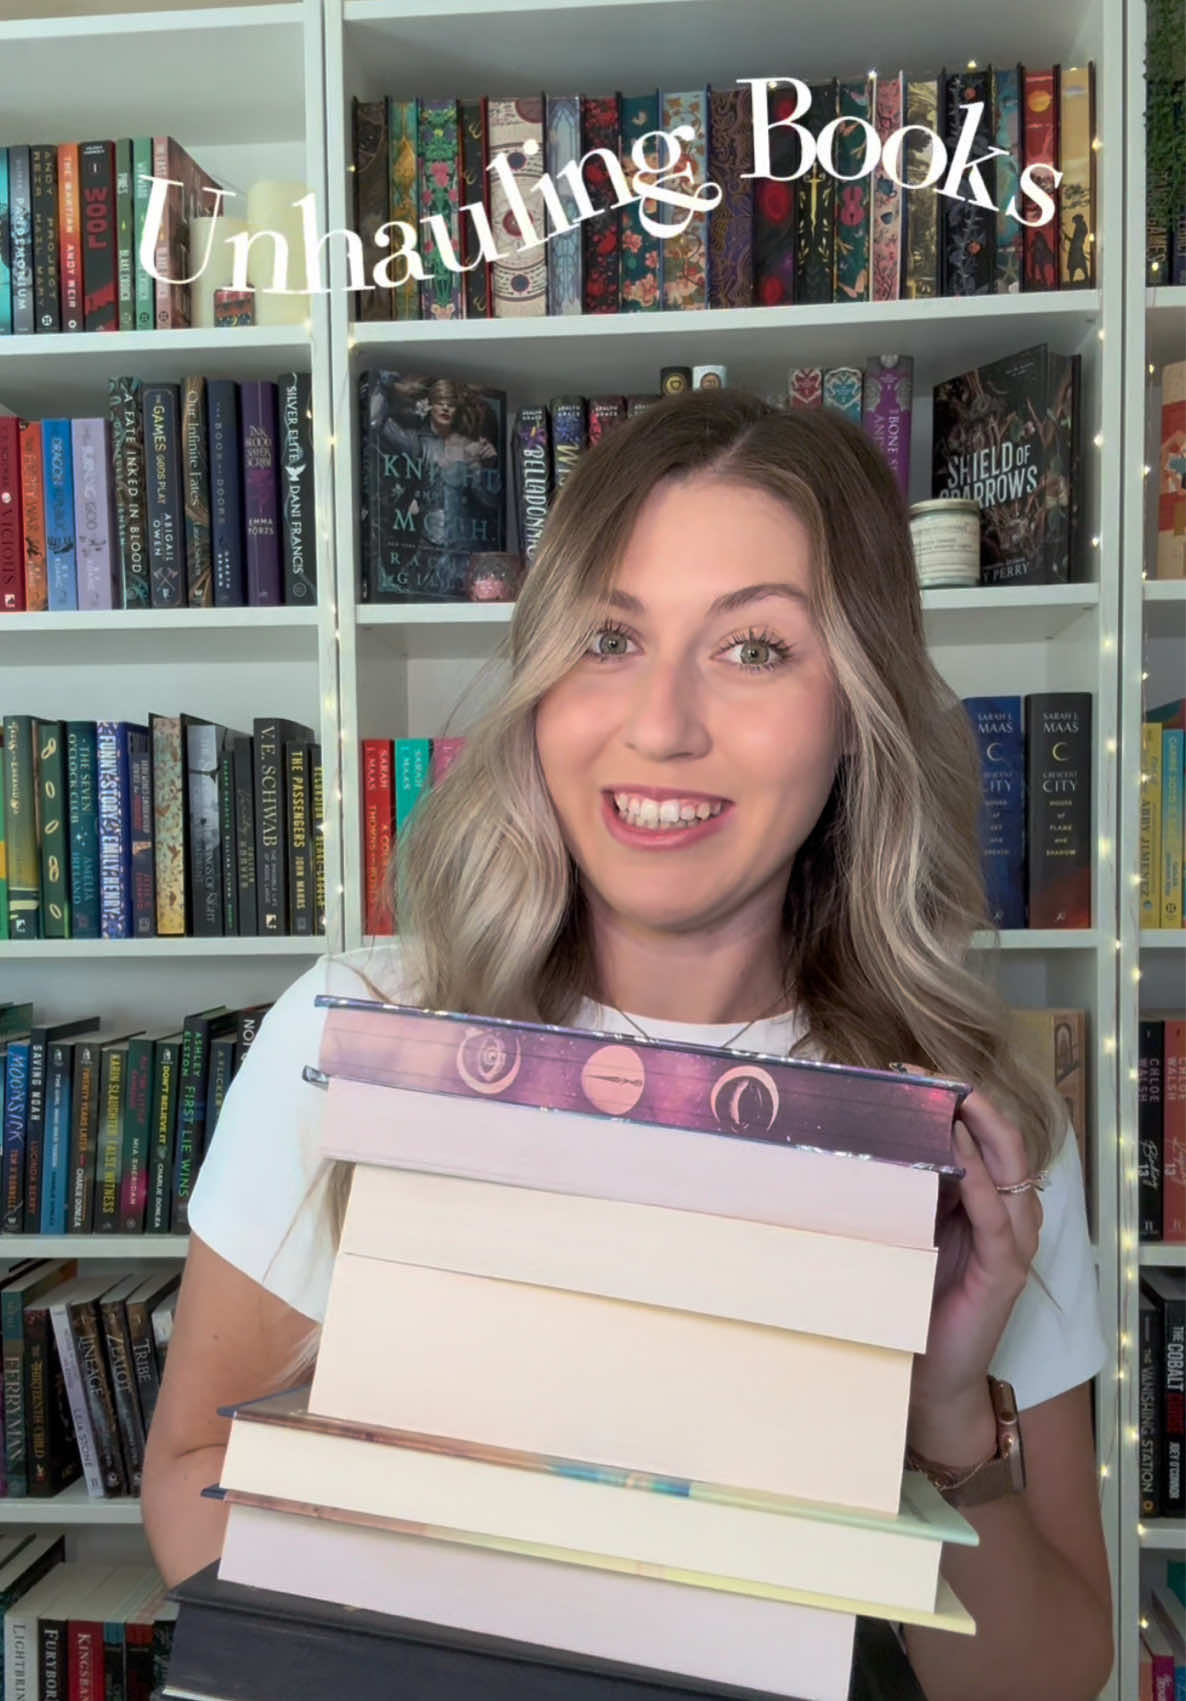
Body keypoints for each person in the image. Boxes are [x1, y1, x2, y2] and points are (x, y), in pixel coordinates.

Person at [141, 390, 1113, 1701]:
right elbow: (191, 1482)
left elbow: (1045, 1678)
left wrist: (944, 1412)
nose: (660, 724)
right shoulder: (358, 1030)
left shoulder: (972, 1135)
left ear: (857, 708)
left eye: (754, 647)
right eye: (609, 637)